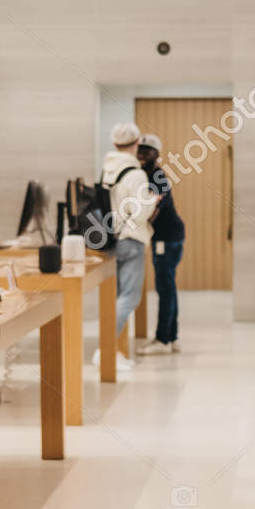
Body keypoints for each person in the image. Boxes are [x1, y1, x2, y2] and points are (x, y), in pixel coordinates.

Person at [98, 122, 157, 368]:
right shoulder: (136, 174)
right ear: (136, 143)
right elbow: (140, 213)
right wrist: (152, 200)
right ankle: (105, 352)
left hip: (113, 240)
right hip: (132, 240)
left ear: (114, 144)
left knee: (118, 298)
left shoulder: (107, 171)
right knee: (129, 299)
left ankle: (113, 353)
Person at [137, 133, 185, 355]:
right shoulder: (146, 175)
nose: (143, 154)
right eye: (140, 149)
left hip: (167, 239)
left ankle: (163, 339)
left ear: (157, 154)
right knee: (168, 287)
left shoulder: (157, 177)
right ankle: (171, 337)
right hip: (166, 238)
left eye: (148, 150)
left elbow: (152, 212)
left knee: (165, 288)